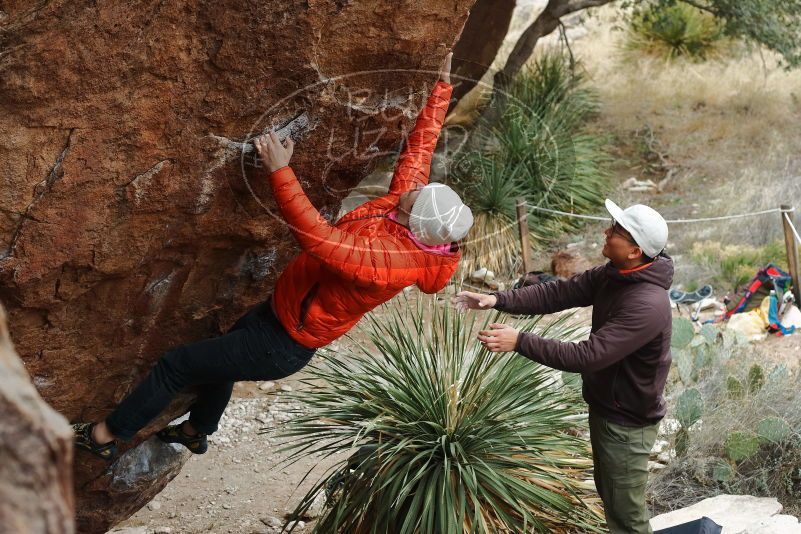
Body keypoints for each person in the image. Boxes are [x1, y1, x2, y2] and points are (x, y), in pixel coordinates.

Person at [73, 52, 473, 460]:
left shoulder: (393, 262)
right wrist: (442, 88)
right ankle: (196, 431)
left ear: (413, 220)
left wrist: (281, 170)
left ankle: (104, 436)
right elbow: (419, 152)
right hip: (277, 314)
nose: (416, 185)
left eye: (418, 194)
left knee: (177, 365)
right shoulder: (410, 214)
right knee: (221, 358)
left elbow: (319, 239)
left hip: (282, 344)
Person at [454, 199, 673, 534]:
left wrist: (520, 341)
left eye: (616, 230)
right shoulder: (615, 274)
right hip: (607, 408)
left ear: (634, 250)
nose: (606, 231)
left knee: (626, 517)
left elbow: (587, 356)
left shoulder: (647, 304)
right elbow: (558, 294)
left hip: (627, 424)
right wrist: (498, 299)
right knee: (613, 502)